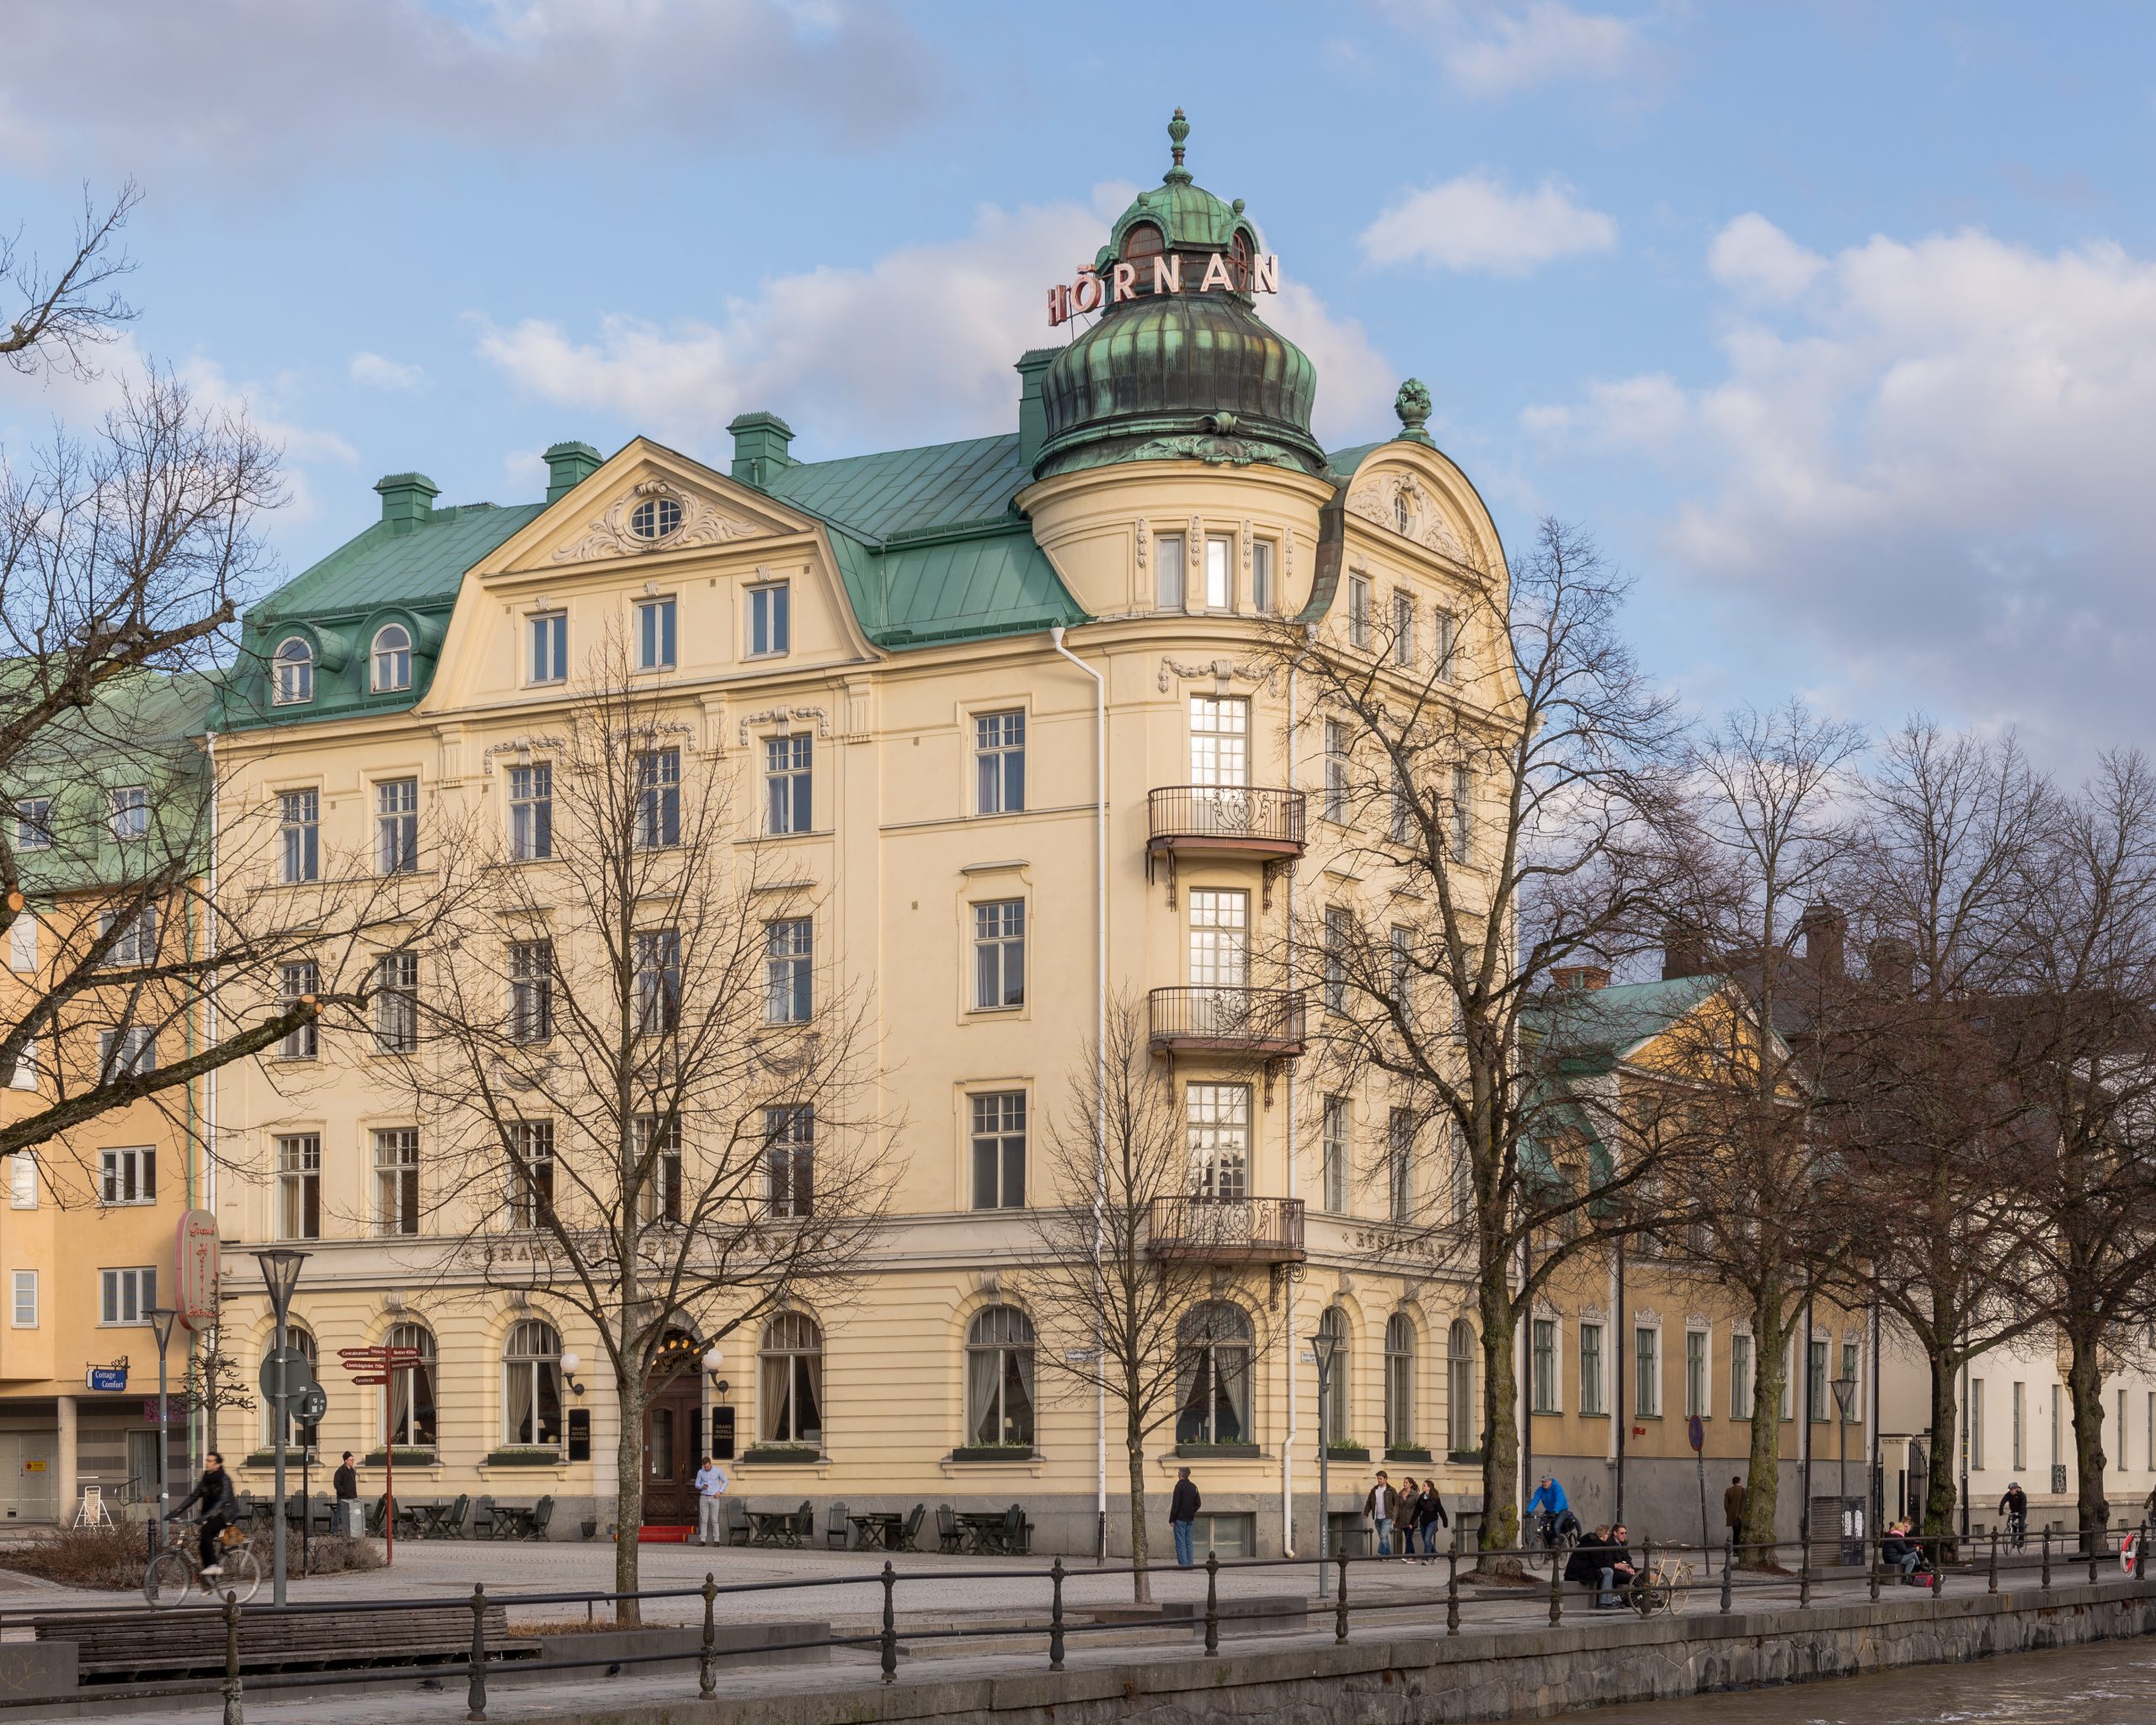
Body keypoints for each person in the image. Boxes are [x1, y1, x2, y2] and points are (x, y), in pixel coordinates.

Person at [167, 1450, 239, 1581]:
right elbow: (194, 1496)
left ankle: (215, 1566)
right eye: (206, 1460)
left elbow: (222, 1501)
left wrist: (206, 1516)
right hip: (212, 1514)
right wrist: (176, 1511)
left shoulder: (224, 1479)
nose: (207, 1463)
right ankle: (209, 1581)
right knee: (203, 1544)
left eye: (210, 1461)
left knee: (206, 1531)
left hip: (227, 1513)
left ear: (217, 1465)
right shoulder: (206, 1478)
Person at [1565, 1525, 1613, 1605]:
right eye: (1608, 1534)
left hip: (1580, 1570)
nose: (1608, 1536)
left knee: (1607, 1570)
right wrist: (1614, 1565)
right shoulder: (1595, 1543)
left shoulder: (1592, 1540)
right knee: (1609, 1571)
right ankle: (1604, 1602)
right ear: (1604, 1535)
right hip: (1580, 1573)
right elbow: (1598, 1563)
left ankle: (1608, 1600)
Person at [693, 1454, 730, 1547]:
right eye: (705, 1466)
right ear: (703, 1465)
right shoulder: (700, 1472)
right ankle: (702, 1540)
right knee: (704, 1519)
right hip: (704, 1497)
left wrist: (720, 1492)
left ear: (710, 1463)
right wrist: (702, 1486)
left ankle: (716, 1540)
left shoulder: (718, 1471)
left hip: (714, 1497)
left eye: (708, 1466)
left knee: (714, 1520)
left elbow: (726, 1481)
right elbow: (696, 1484)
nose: (706, 1468)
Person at [1598, 1523, 1639, 1608]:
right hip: (1615, 1571)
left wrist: (1630, 1568)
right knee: (1634, 1577)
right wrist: (1625, 1569)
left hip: (1624, 1569)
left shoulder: (1623, 1543)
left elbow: (1628, 1558)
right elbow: (1609, 1562)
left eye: (1625, 1533)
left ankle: (1635, 1598)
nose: (1624, 1535)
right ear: (1615, 1533)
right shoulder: (1609, 1543)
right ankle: (1631, 1599)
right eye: (1622, 1533)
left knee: (1643, 1573)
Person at [1169, 1467, 1201, 1567]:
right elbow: (1198, 1503)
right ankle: (1190, 1563)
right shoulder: (1193, 1486)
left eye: (1178, 1472)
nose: (1178, 1474)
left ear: (1181, 1474)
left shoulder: (1179, 1486)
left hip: (1180, 1518)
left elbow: (1176, 1504)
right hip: (1190, 1518)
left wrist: (1172, 1519)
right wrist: (1192, 1511)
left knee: (1180, 1542)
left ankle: (1183, 1565)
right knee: (1188, 1542)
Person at [1526, 1475, 1570, 1547]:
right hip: (1550, 1511)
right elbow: (1535, 1500)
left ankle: (1559, 1544)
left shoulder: (1556, 1488)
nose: (1544, 1483)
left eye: (1545, 1481)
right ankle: (1548, 1546)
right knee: (1542, 1526)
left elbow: (1560, 1500)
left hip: (1561, 1510)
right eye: (1542, 1482)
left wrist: (1555, 1511)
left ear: (1550, 1481)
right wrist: (1528, 1511)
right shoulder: (1540, 1490)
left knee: (1556, 1526)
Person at [1364, 1471, 1397, 1557]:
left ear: (1385, 1479)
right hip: (1377, 1517)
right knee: (1383, 1536)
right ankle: (1388, 1554)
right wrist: (1366, 1512)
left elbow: (1397, 1504)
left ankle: (1381, 1553)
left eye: (1381, 1479)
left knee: (1383, 1535)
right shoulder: (1374, 1490)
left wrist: (1395, 1516)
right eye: (1378, 1479)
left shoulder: (1391, 1490)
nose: (1379, 1480)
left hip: (1387, 1517)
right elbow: (1369, 1502)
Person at [1415, 1479, 1449, 1559]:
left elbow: (1441, 1510)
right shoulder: (1421, 1497)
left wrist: (1445, 1521)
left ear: (1429, 1487)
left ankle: (1425, 1559)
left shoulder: (1435, 1498)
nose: (1422, 1487)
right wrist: (1411, 1522)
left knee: (1427, 1540)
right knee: (1426, 1541)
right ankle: (1436, 1555)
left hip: (1432, 1521)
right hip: (1423, 1522)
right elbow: (1417, 1511)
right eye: (1423, 1485)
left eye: (1424, 1485)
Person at [333, 1450, 360, 1538]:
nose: (352, 1461)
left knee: (350, 1516)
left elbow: (353, 1484)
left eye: (353, 1459)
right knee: (339, 1514)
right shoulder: (340, 1471)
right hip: (343, 1497)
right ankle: (334, 1531)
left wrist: (355, 1495)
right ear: (346, 1460)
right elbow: (336, 1483)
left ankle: (348, 1532)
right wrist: (343, 1492)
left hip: (351, 1497)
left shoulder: (352, 1470)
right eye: (351, 1459)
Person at [1394, 1479, 1421, 1559]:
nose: (1404, 1484)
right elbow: (1397, 1506)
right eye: (1404, 1482)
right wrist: (1394, 1517)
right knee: (1408, 1538)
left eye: (1406, 1483)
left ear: (1411, 1484)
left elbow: (1419, 1507)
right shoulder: (1400, 1494)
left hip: (1412, 1520)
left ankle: (1406, 1555)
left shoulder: (1415, 1495)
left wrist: (1422, 1517)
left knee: (1408, 1538)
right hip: (1403, 1519)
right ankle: (1414, 1556)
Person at [1999, 1482, 2028, 1550]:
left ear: (2016, 1489)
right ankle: (2014, 1536)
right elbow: (2002, 1502)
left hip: (2022, 1512)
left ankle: (2021, 1541)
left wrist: (2020, 1511)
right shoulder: (2008, 1495)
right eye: (2010, 1490)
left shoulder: (2021, 1495)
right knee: (2009, 1524)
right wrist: (2001, 1511)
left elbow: (2024, 1503)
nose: (2011, 1491)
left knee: (2020, 1525)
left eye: (2012, 1490)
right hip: (2014, 1512)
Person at [1723, 1475, 1747, 1551]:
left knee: (1735, 1533)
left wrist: (1729, 1513)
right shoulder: (1744, 1490)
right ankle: (1739, 1550)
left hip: (1732, 1516)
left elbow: (1726, 1505)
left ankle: (1735, 1550)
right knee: (1740, 1533)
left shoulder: (1728, 1491)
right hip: (1741, 1515)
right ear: (1739, 1481)